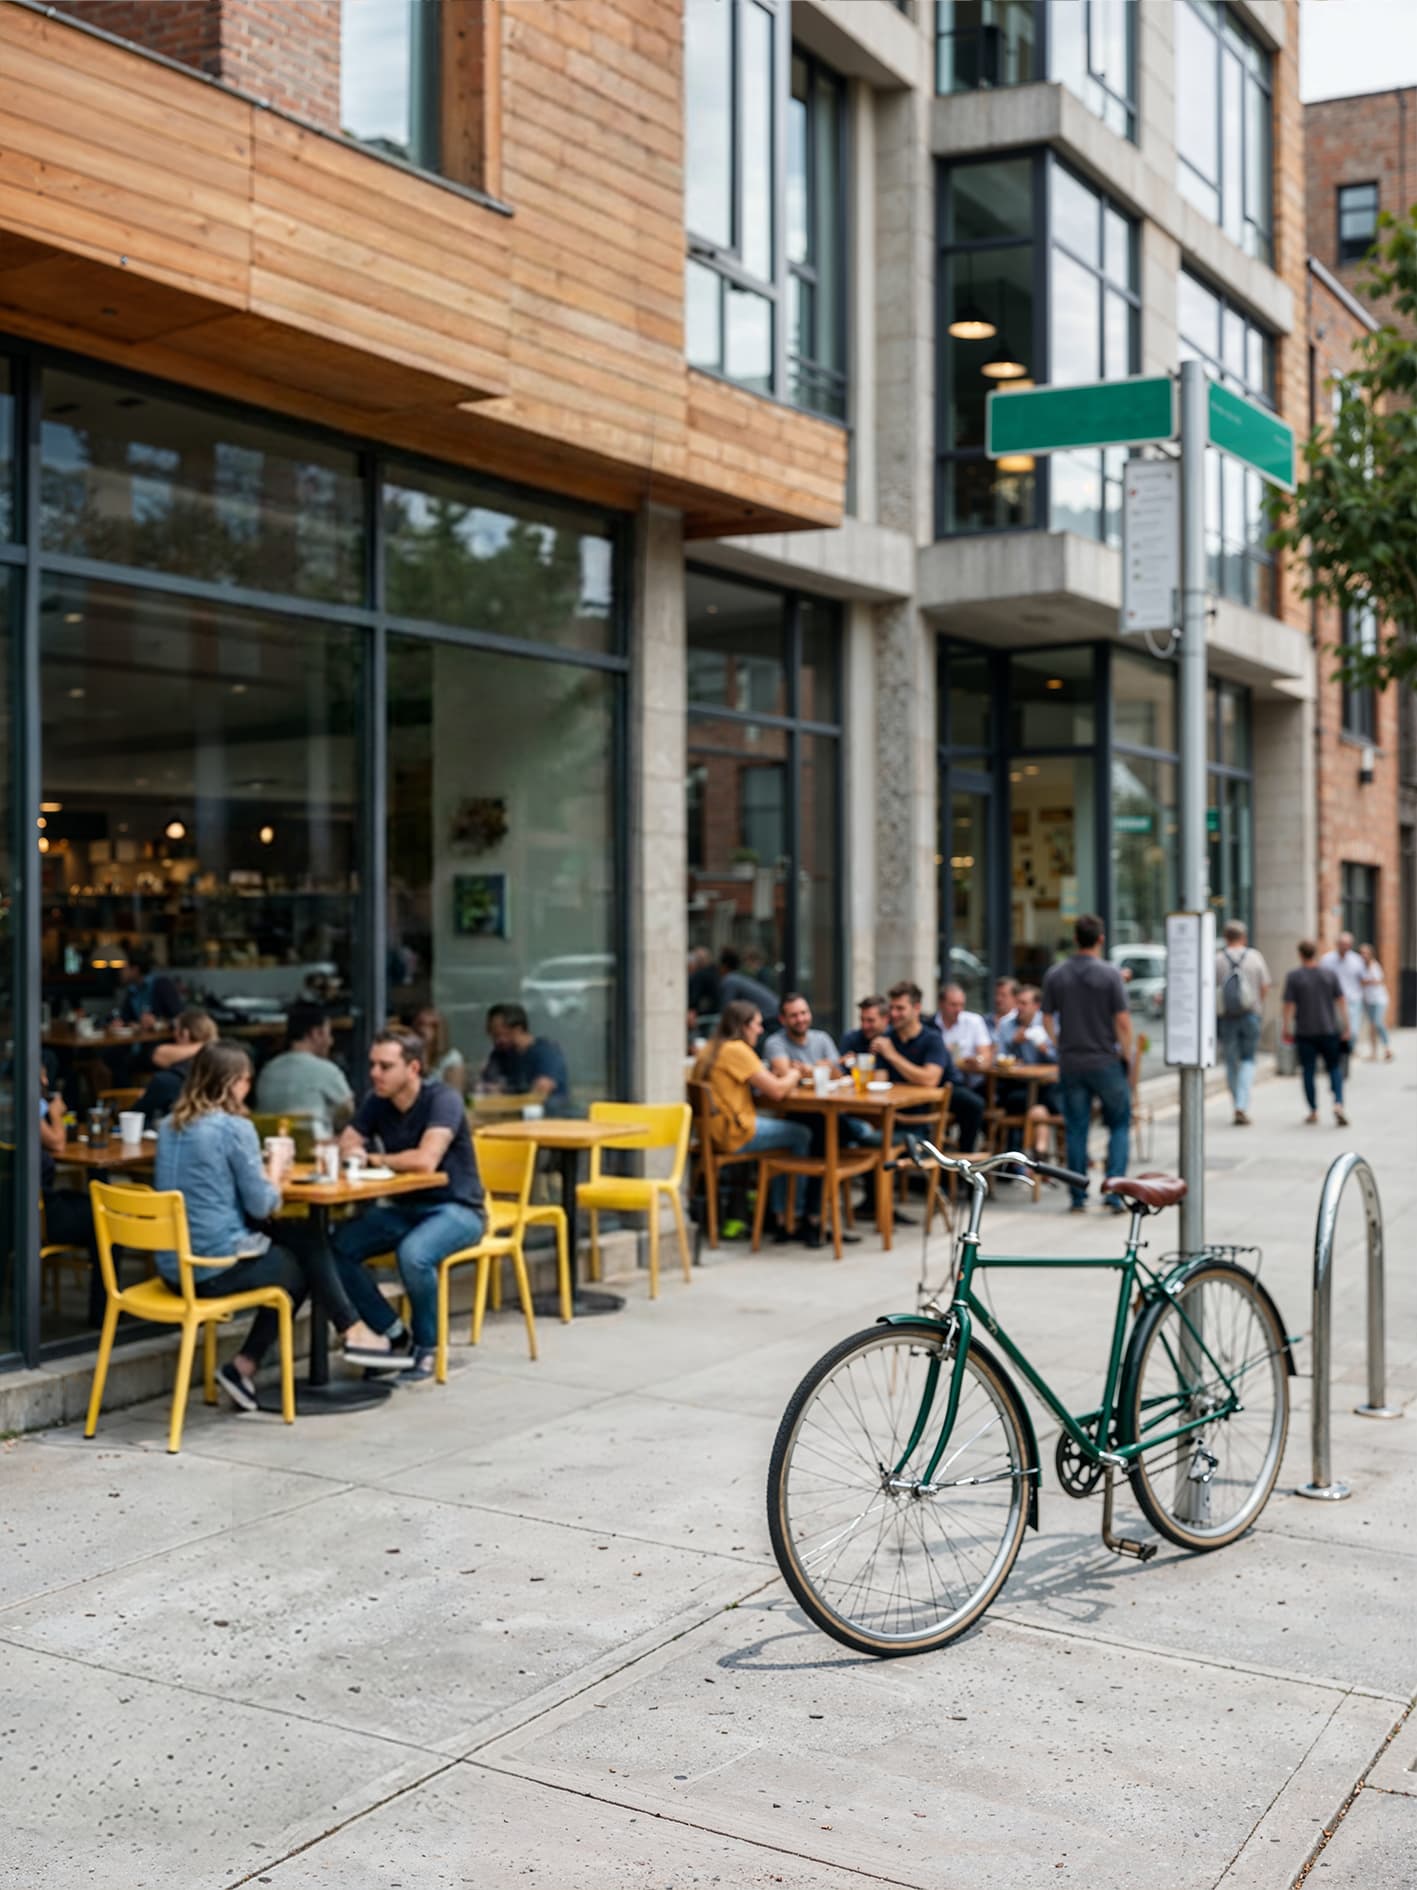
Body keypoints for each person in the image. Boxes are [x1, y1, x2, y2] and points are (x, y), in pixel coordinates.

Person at [154, 1042, 405, 1410]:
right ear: (232, 1084)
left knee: (305, 1239)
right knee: (303, 1263)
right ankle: (350, 1332)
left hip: (171, 1267)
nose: (248, 1089)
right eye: (245, 1081)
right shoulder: (233, 1128)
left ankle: (251, 1366)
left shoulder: (167, 1128)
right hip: (209, 1269)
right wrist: (274, 1168)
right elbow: (265, 1204)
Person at [333, 1029, 488, 1384]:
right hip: (406, 1210)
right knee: (336, 1245)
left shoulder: (442, 1100)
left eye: (385, 1066)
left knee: (414, 1254)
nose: (375, 1073)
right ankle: (391, 1332)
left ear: (413, 1068)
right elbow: (347, 1142)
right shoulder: (378, 1100)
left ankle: (427, 1346)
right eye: (373, 1064)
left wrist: (371, 1158)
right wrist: (352, 1151)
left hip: (459, 1209)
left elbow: (425, 1160)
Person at [691, 999, 826, 1246]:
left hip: (711, 1134)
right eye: (757, 1025)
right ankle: (789, 1216)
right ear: (743, 1026)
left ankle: (780, 1212)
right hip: (734, 1134)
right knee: (802, 1135)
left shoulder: (711, 1047)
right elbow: (776, 1091)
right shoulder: (736, 1050)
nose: (761, 1030)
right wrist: (796, 1073)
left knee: (791, 1132)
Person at [1042, 914, 1133, 1213]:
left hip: (1072, 1061)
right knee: (1119, 1123)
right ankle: (1114, 1191)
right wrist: (1126, 1054)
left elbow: (1046, 1018)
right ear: (1100, 939)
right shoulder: (1110, 975)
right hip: (1105, 1059)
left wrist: (1059, 1045)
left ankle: (1078, 1196)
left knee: (1076, 1128)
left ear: (1076, 938)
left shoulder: (1056, 974)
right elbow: (1123, 1021)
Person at [871, 979, 984, 1154]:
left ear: (916, 1008)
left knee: (973, 1104)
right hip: (904, 1099)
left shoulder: (932, 1037)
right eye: (891, 1008)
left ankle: (964, 1162)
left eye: (900, 1008)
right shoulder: (887, 1037)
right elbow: (880, 1081)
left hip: (942, 1090)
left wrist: (892, 1055)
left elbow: (930, 1079)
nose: (893, 1014)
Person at [39, 1069, 100, 1321]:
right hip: (40, 1217)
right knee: (106, 1220)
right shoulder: (27, 1105)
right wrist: (55, 1114)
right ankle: (102, 1312)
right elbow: (57, 1142)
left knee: (93, 1206)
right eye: (41, 1075)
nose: (46, 1081)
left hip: (28, 1208)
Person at [255, 1001, 355, 1139]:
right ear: (316, 1033)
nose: (331, 1041)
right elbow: (348, 1111)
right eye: (328, 1034)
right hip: (315, 1150)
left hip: (273, 1149)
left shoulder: (267, 1071)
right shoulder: (326, 1070)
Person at [1282, 941, 1349, 1127]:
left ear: (1300, 954)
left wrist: (1286, 1027)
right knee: (1334, 1067)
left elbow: (1288, 1005)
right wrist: (1346, 1026)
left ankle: (1313, 1110)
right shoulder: (1329, 974)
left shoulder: (1294, 976)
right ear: (1316, 953)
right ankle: (1338, 1103)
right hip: (1329, 1029)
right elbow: (1342, 1001)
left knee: (1308, 1071)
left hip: (1305, 1031)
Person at [995, 986, 1062, 1165]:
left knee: (1040, 1106)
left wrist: (1045, 1049)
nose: (1019, 1008)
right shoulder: (1007, 1024)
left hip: (1047, 1085)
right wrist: (1013, 1042)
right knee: (1037, 1108)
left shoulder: (1048, 1024)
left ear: (1036, 1006)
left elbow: (1061, 1059)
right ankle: (1038, 1157)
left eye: (1024, 1003)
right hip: (1017, 1086)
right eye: (1017, 1003)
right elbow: (999, 1058)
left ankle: (1028, 1161)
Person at [1214, 921, 1271, 1127]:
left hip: (1227, 1017)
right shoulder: (1254, 957)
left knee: (1231, 1061)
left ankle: (1235, 1102)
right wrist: (1257, 1004)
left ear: (1225, 937)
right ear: (1243, 937)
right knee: (1248, 1059)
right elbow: (1265, 986)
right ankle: (1242, 1104)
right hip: (1250, 1015)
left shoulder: (1218, 959)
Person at [480, 1003, 570, 1113]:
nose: (497, 1041)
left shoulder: (547, 1052)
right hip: (510, 1116)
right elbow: (488, 1085)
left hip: (548, 1117)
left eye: (500, 1034)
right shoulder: (500, 1054)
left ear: (518, 1030)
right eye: (493, 1035)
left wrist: (505, 1097)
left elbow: (541, 1092)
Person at [136, 1008, 218, 1122]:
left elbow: (159, 1055)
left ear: (185, 1033)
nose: (173, 1034)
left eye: (175, 1029)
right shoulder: (220, 1063)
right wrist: (208, 1044)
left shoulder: (168, 1079)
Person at [1320, 932, 1366, 1078]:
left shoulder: (1357, 960)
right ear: (1337, 944)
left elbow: (1363, 979)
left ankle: (1343, 1056)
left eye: (1347, 945)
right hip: (1333, 1002)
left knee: (1352, 1033)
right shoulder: (1327, 960)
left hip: (1352, 1001)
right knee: (1333, 1033)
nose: (1344, 947)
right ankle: (1336, 1062)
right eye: (1342, 944)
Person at [763, 993, 840, 1074]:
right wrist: (823, 1068)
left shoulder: (823, 1038)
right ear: (782, 1019)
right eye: (794, 1015)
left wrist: (808, 1069)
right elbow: (783, 1073)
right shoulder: (774, 1043)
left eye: (803, 1013)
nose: (800, 1019)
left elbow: (839, 1074)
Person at [936, 982, 994, 1088]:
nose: (958, 1009)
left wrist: (977, 1060)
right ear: (941, 1004)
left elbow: (986, 1056)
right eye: (953, 1005)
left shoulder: (974, 1021)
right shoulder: (930, 1024)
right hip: (941, 1081)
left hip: (971, 1082)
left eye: (961, 1005)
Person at [410, 1005, 468, 1096]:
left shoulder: (452, 1058)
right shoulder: (409, 1055)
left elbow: (455, 1094)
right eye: (420, 1024)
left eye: (431, 1026)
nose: (423, 1030)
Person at [116, 953, 183, 1028]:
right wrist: (119, 1023)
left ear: (135, 969)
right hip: (141, 1038)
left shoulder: (161, 985)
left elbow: (179, 1018)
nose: (120, 972)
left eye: (124, 968)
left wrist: (157, 1023)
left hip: (164, 1038)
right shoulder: (132, 990)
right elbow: (125, 1018)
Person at [717, 947, 780, 1022]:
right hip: (772, 1011)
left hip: (769, 1015)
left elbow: (726, 1009)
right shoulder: (738, 978)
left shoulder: (730, 980)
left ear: (724, 967)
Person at [1358, 943, 1394, 1061]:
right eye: (1362, 953)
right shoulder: (1359, 967)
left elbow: (1377, 981)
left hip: (1379, 1000)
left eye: (1366, 953)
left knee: (1378, 1023)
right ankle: (1373, 1053)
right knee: (1372, 1026)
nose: (1364, 955)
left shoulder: (1375, 966)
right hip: (1368, 1001)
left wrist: (1365, 982)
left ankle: (1387, 1048)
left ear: (1370, 954)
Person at [839, 995, 888, 1060]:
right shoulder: (851, 1039)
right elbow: (839, 1067)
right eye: (862, 1020)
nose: (865, 1026)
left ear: (885, 1019)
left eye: (870, 1020)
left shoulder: (895, 1039)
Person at [687, 947, 722, 1027]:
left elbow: (694, 997)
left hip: (704, 1017)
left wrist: (692, 1010)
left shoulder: (700, 975)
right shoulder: (714, 972)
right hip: (714, 1014)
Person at [990, 978, 1020, 1051]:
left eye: (1003, 995)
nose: (998, 999)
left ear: (1015, 998)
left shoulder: (1021, 1020)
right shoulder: (985, 1020)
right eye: (997, 994)